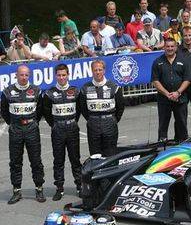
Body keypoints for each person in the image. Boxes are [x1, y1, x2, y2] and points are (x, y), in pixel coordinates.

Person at [0, 65, 45, 204]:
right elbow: (4, 112)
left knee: (36, 161)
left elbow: (40, 110)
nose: (24, 77)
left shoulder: (36, 90)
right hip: (15, 129)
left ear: (29, 76)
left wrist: (32, 122)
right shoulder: (7, 91)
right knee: (15, 162)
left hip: (32, 128)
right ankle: (16, 191)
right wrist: (14, 123)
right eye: (21, 75)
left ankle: (39, 189)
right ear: (16, 75)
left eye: (26, 75)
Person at [43, 64, 82, 201]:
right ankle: (59, 188)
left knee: (75, 159)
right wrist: (54, 125)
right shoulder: (49, 93)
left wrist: (72, 122)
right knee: (58, 160)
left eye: (63, 75)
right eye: (59, 75)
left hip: (72, 128)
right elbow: (46, 112)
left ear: (68, 75)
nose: (61, 78)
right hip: (57, 129)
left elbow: (79, 110)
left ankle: (79, 186)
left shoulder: (76, 91)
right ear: (55, 76)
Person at [79, 60, 125, 157]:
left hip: (110, 124)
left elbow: (120, 107)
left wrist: (113, 120)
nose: (98, 72)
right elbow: (83, 108)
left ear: (104, 71)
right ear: (92, 71)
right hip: (93, 125)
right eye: (95, 70)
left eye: (100, 69)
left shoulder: (114, 87)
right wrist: (92, 119)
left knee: (110, 155)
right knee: (95, 156)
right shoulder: (85, 88)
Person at [151, 38, 191, 142]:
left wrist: (178, 92)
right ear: (164, 47)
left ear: (176, 47)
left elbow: (187, 79)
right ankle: (162, 145)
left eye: (172, 46)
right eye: (167, 46)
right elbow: (155, 81)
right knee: (163, 124)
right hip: (164, 99)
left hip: (180, 98)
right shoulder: (157, 62)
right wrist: (167, 94)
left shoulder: (184, 60)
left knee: (182, 123)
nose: (170, 48)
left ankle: (182, 143)